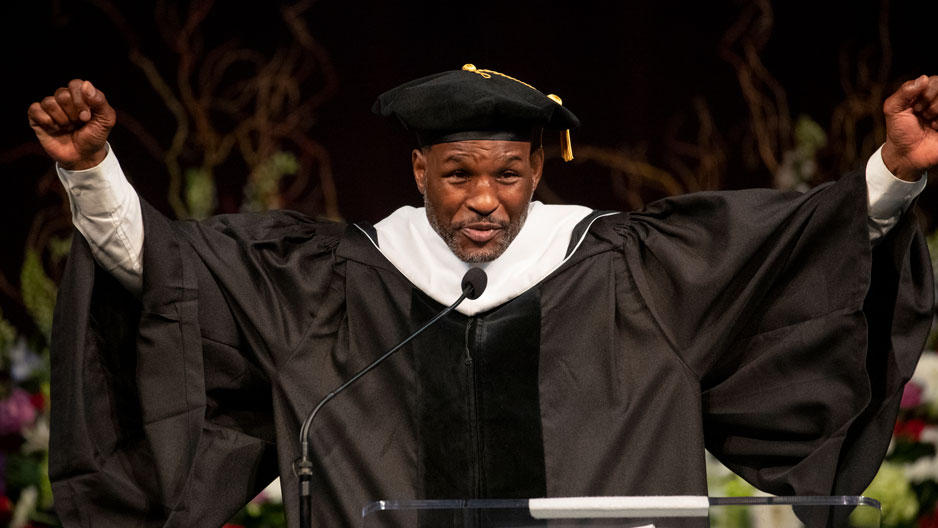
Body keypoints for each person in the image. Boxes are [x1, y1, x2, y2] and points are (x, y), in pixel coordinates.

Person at [28, 65, 937, 528]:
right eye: (458, 174)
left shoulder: (634, 271)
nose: (484, 200)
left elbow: (791, 258)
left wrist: (891, 171)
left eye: (507, 173)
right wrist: (95, 175)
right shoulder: (329, 285)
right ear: (419, 168)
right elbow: (169, 278)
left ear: (537, 167)